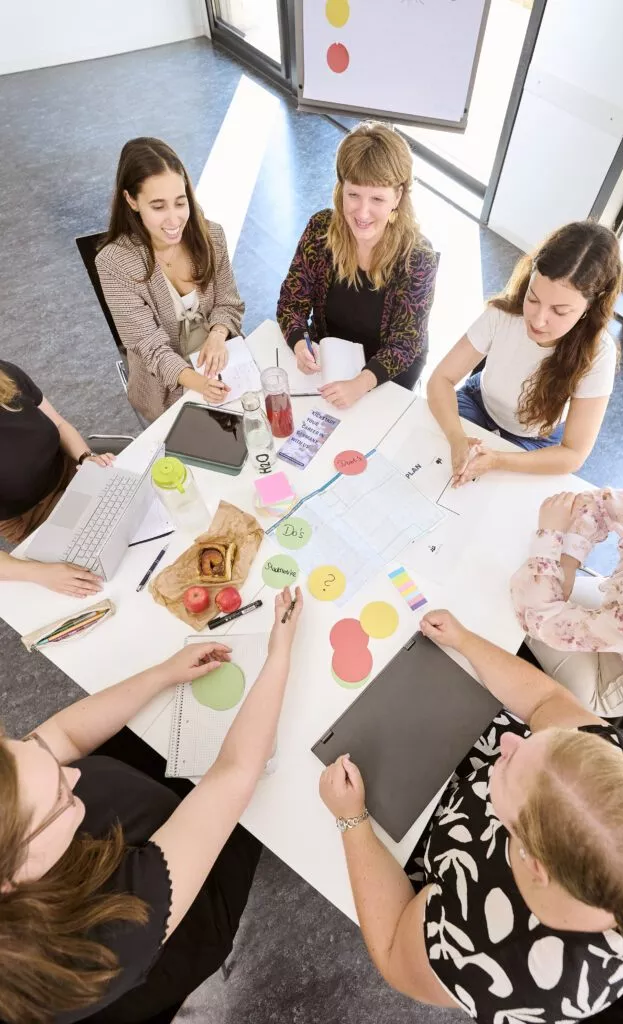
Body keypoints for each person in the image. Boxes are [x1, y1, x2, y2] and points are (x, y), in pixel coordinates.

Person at [319, 609, 623, 1023]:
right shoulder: (615, 771)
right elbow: (547, 701)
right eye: (541, 741)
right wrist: (466, 640)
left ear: (531, 863)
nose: (511, 738)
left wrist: (353, 821)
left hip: (412, 839)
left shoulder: (494, 962)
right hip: (446, 751)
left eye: (509, 765)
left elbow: (392, 949)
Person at [0, 586, 302, 1024]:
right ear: (14, 880)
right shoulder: (106, 941)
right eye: (61, 797)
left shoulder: (20, 812)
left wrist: (162, 674)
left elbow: (64, 738)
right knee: (264, 791)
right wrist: (279, 654)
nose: (75, 774)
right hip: (180, 915)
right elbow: (234, 772)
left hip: (128, 821)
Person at [427, 221, 623, 487]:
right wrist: (456, 437)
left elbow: (573, 454)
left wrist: (497, 459)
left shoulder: (599, 354)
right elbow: (440, 379)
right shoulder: (504, 313)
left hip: (535, 439)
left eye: (560, 311)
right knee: (431, 465)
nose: (538, 320)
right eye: (533, 299)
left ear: (591, 306)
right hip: (478, 402)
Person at [276, 121, 438, 409]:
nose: (362, 213)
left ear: (397, 197)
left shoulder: (418, 256)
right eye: (353, 195)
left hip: (387, 372)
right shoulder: (320, 229)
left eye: (377, 198)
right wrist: (300, 343)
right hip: (330, 359)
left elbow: (404, 344)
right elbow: (291, 301)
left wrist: (359, 384)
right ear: (341, 189)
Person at [510, 451, 623, 718]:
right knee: (525, 582)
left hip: (611, 683)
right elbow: (598, 503)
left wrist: (549, 535)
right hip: (621, 614)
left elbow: (540, 618)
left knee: (511, 603)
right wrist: (567, 564)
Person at [96, 137, 244, 423]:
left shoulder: (212, 236)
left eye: (180, 202)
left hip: (226, 363)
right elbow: (151, 349)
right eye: (158, 206)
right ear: (131, 200)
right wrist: (201, 384)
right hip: (166, 390)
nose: (175, 220)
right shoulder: (114, 264)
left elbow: (229, 303)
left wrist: (217, 335)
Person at [0, 361, 112, 598]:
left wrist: (85, 457)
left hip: (72, 471)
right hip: (33, 517)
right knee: (101, 579)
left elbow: (58, 423)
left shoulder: (5, 373)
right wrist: (41, 573)